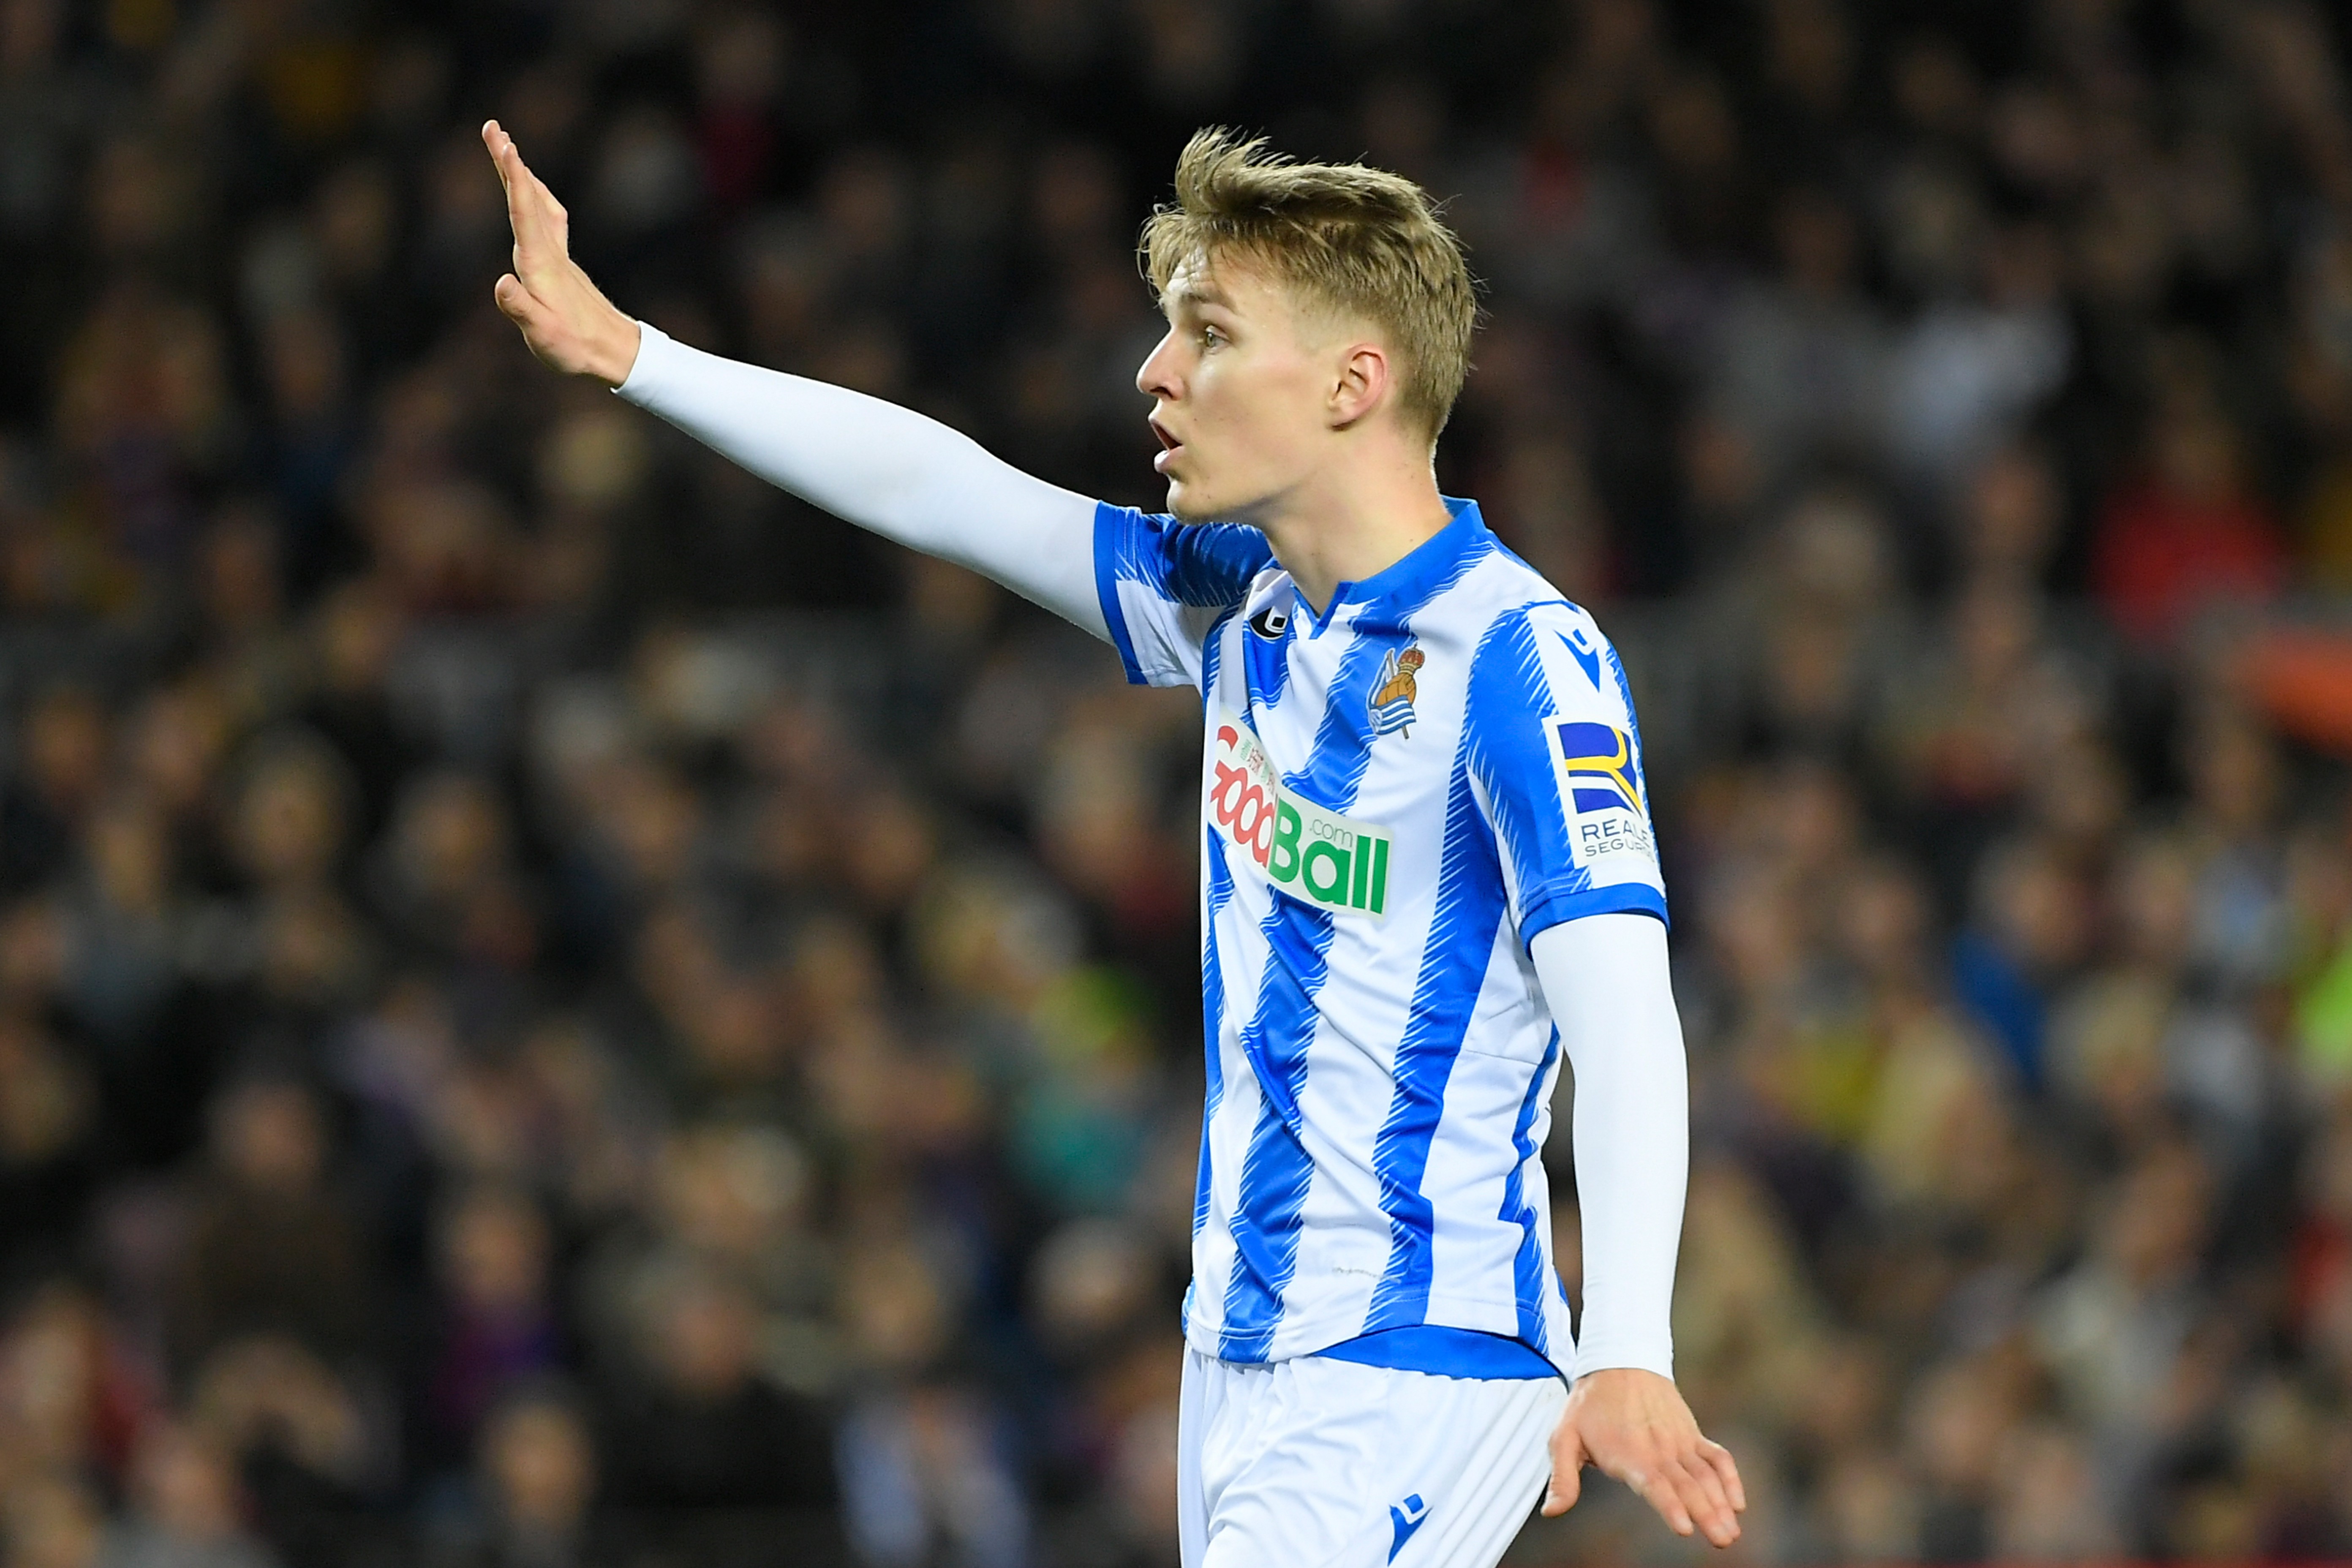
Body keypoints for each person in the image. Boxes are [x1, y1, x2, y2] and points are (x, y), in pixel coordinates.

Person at [480, 118, 1745, 1567]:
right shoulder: (1241, 597)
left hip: (1415, 1357)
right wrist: (638, 354)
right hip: (1238, 1345)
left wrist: (1628, 1344)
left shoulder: (1523, 662)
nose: (1155, 372)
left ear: (1354, 381)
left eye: (1207, 333)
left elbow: (1629, 1022)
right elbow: (948, 493)